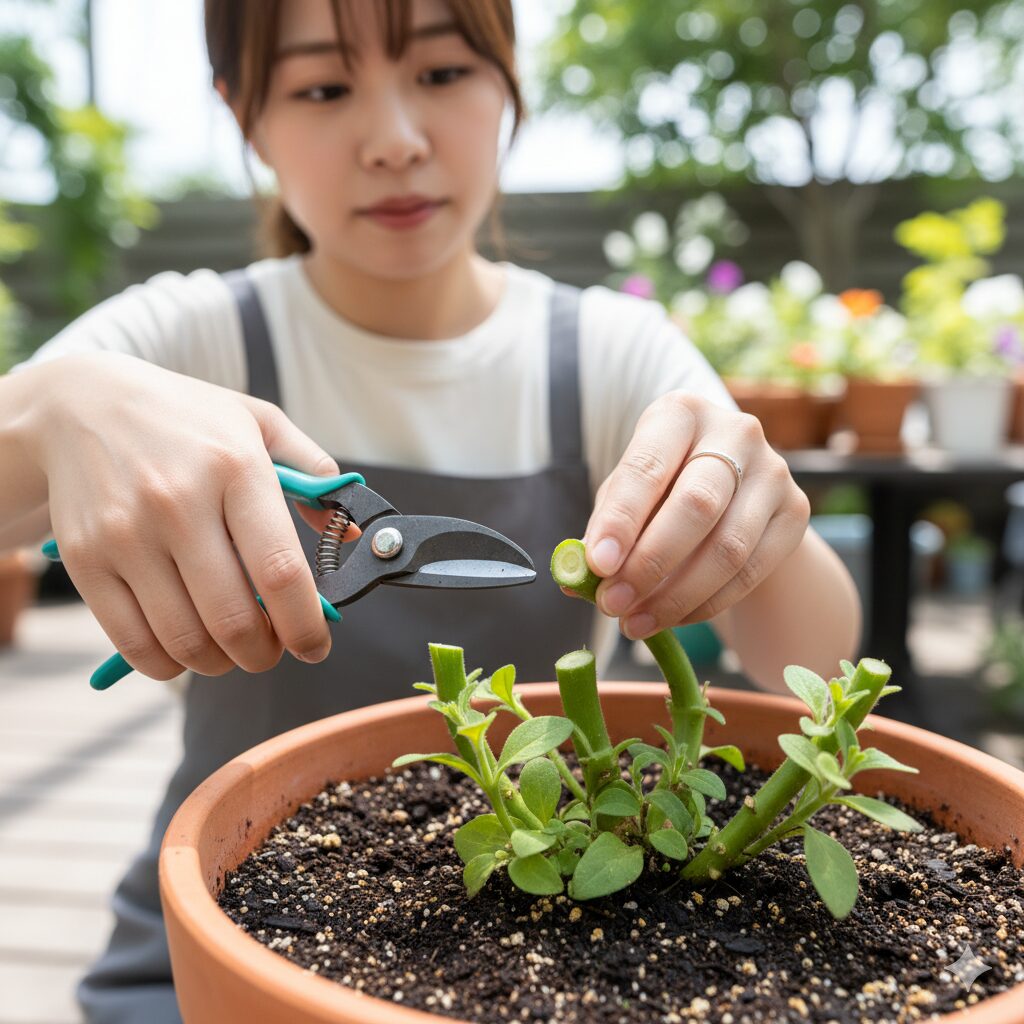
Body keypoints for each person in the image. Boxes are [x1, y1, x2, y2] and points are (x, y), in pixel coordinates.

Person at [0, 0, 860, 1019]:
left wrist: (757, 521)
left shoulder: (612, 356)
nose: (396, 142)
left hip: (535, 958)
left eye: (445, 73)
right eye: (323, 88)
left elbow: (810, 654)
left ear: (509, 83)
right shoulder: (187, 336)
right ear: (245, 116)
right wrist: (53, 409)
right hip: (205, 941)